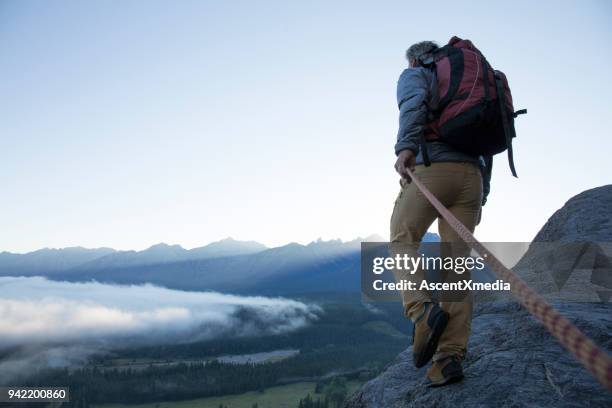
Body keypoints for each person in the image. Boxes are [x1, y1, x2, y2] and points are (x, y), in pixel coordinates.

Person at [390, 40, 492, 387]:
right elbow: (486, 141)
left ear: (416, 57)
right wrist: (482, 191)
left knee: (403, 240)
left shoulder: (417, 72)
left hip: (432, 168)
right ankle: (448, 359)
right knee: (456, 266)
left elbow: (413, 105)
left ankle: (420, 313)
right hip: (471, 180)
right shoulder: (472, 84)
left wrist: (405, 149)